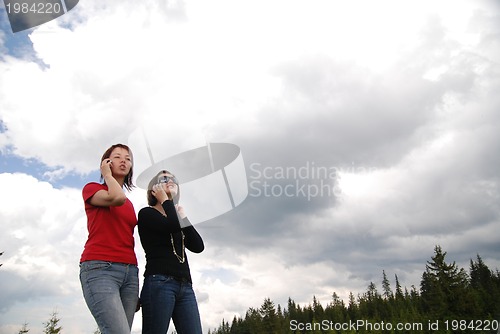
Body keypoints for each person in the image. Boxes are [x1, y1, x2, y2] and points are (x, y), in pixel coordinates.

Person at [79, 143, 139, 334]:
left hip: (130, 273)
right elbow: (116, 198)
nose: (123, 160)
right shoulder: (92, 189)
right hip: (100, 268)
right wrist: (106, 175)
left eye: (128, 158)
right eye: (118, 156)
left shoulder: (130, 204)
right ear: (106, 162)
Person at [138, 170, 205, 334]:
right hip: (160, 282)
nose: (170, 180)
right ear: (154, 189)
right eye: (164, 179)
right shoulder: (147, 213)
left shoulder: (177, 218)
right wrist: (166, 201)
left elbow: (198, 246)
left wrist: (184, 217)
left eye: (173, 178)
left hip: (185, 286)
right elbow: (171, 226)